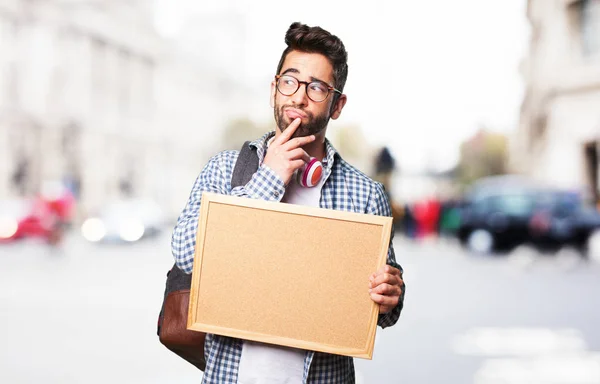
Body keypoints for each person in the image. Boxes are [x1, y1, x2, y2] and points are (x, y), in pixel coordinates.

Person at [171, 22, 405, 384]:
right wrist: (268, 180)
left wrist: (390, 296)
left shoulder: (365, 195)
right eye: (290, 81)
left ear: (337, 104)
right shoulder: (224, 170)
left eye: (316, 88)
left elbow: (383, 315)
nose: (298, 96)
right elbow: (187, 256)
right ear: (274, 90)